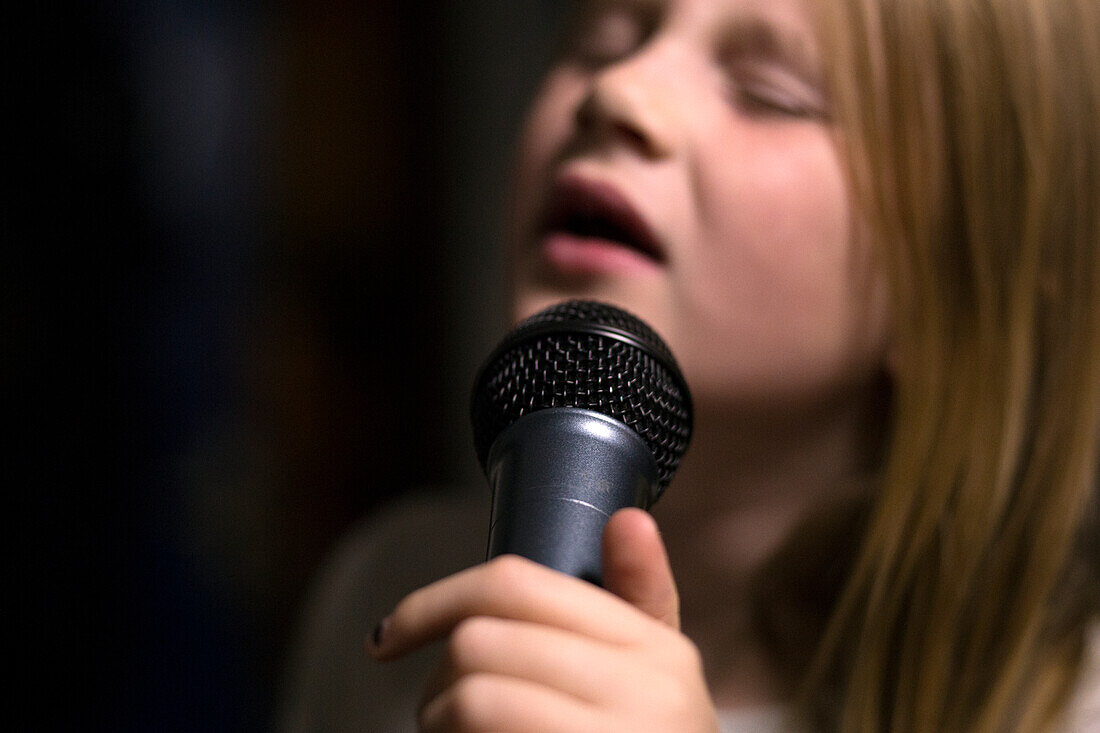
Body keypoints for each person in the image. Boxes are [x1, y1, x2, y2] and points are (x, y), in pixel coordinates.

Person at [277, 0, 1100, 730]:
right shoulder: (393, 590)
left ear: (963, 283)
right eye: (603, 40)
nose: (619, 91)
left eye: (769, 94)